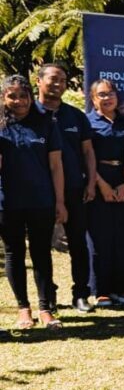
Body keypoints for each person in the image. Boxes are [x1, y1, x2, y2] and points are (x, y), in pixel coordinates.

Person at [0, 75, 66, 329]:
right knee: (14, 253)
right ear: (4, 98)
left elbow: (56, 166)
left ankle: (45, 308)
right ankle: (23, 309)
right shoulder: (1, 126)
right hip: (8, 202)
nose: (18, 101)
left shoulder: (46, 123)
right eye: (12, 96)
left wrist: (60, 201)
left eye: (23, 95)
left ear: (30, 96)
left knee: (41, 253)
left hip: (41, 200)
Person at [35, 63, 96, 313]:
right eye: (53, 79)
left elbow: (88, 151)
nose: (58, 84)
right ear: (39, 81)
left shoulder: (75, 115)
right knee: (41, 246)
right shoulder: (29, 115)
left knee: (78, 243)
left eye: (62, 79)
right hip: (39, 192)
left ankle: (80, 294)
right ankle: (47, 296)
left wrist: (91, 182)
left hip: (74, 189)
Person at [86, 79, 124, 307]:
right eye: (102, 94)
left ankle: (123, 287)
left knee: (123, 238)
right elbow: (85, 156)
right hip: (98, 180)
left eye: (111, 93)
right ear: (93, 98)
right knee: (101, 238)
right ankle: (101, 289)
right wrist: (100, 184)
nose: (107, 98)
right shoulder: (88, 122)